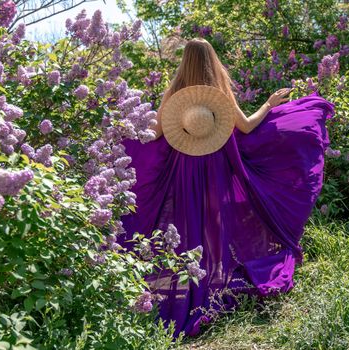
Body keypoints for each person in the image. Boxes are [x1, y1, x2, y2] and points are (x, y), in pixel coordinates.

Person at [117, 38, 335, 338]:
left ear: (185, 62)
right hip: (217, 165)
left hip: (184, 168)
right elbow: (246, 127)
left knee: (189, 222)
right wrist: (269, 105)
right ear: (211, 59)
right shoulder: (218, 93)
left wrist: (123, 131)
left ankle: (191, 282)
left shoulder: (176, 93)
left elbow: (153, 133)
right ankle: (215, 280)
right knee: (215, 221)